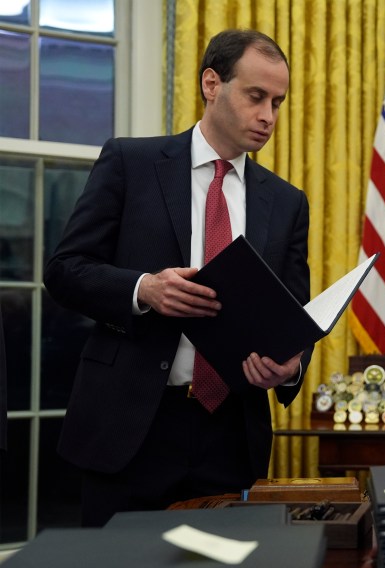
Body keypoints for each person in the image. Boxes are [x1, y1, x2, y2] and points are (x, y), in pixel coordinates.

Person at [44, 29, 312, 526]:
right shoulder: (131, 162)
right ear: (212, 83)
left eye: (278, 102)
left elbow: (296, 314)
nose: (269, 116)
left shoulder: (288, 201)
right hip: (130, 425)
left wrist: (290, 367)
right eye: (257, 97)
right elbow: (64, 271)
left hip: (231, 434)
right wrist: (143, 289)